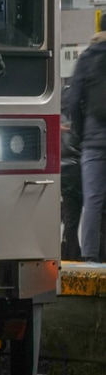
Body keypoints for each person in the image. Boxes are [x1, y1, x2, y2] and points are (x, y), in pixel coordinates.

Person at [66, 15, 106, 263]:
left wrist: (79, 133)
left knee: (92, 202)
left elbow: (72, 100)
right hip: (92, 139)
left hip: (93, 143)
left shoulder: (88, 57)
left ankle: (90, 259)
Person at [60, 86, 82, 261]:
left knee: (70, 220)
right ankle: (96, 256)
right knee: (96, 214)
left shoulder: (57, 117)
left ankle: (71, 256)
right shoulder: (80, 115)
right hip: (81, 168)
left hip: (64, 170)